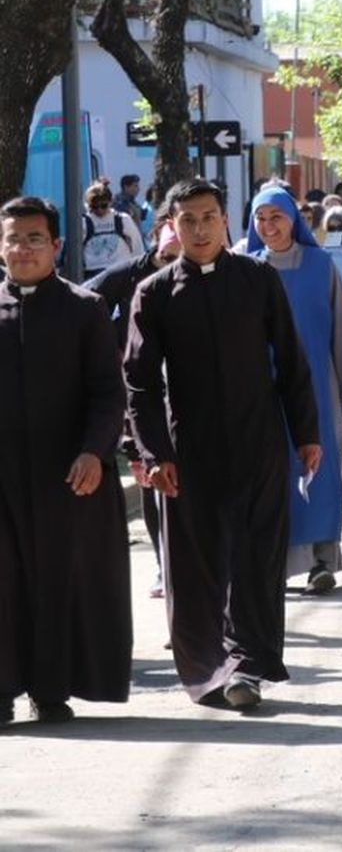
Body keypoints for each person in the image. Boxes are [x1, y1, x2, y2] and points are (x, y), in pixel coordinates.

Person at [124, 179, 320, 710]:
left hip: (258, 438)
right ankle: (210, 669)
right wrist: (153, 453)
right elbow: (140, 382)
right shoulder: (155, 293)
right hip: (189, 447)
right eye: (187, 220)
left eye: (208, 217)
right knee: (198, 562)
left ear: (225, 220)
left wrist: (306, 433)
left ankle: (246, 666)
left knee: (255, 557)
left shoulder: (257, 279)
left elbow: (291, 359)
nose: (200, 229)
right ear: (172, 226)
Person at [0, 197, 133, 725]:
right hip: (3, 476)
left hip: (65, 475)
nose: (22, 249)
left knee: (59, 581)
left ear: (56, 245)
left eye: (34, 238)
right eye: (13, 238)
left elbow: (108, 392)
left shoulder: (84, 309)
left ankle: (50, 689)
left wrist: (94, 451)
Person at [245, 187, 342, 594]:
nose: (269, 226)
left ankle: (321, 561)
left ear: (293, 220)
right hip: (264, 389)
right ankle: (276, 562)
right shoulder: (246, 269)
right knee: (273, 473)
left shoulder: (320, 265)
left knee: (321, 470)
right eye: (261, 218)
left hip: (318, 385)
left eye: (276, 217)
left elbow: (341, 324)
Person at [86, 221, 181, 595]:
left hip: (192, 396)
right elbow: (87, 301)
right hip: (142, 393)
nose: (173, 266)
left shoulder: (205, 273)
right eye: (167, 257)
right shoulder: (129, 275)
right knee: (149, 474)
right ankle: (164, 566)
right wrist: (112, 347)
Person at [81, 180, 143, 278]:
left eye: (103, 206)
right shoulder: (84, 222)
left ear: (110, 202)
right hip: (93, 271)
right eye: (94, 207)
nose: (99, 210)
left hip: (120, 269)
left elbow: (137, 244)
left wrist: (139, 268)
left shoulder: (122, 219)